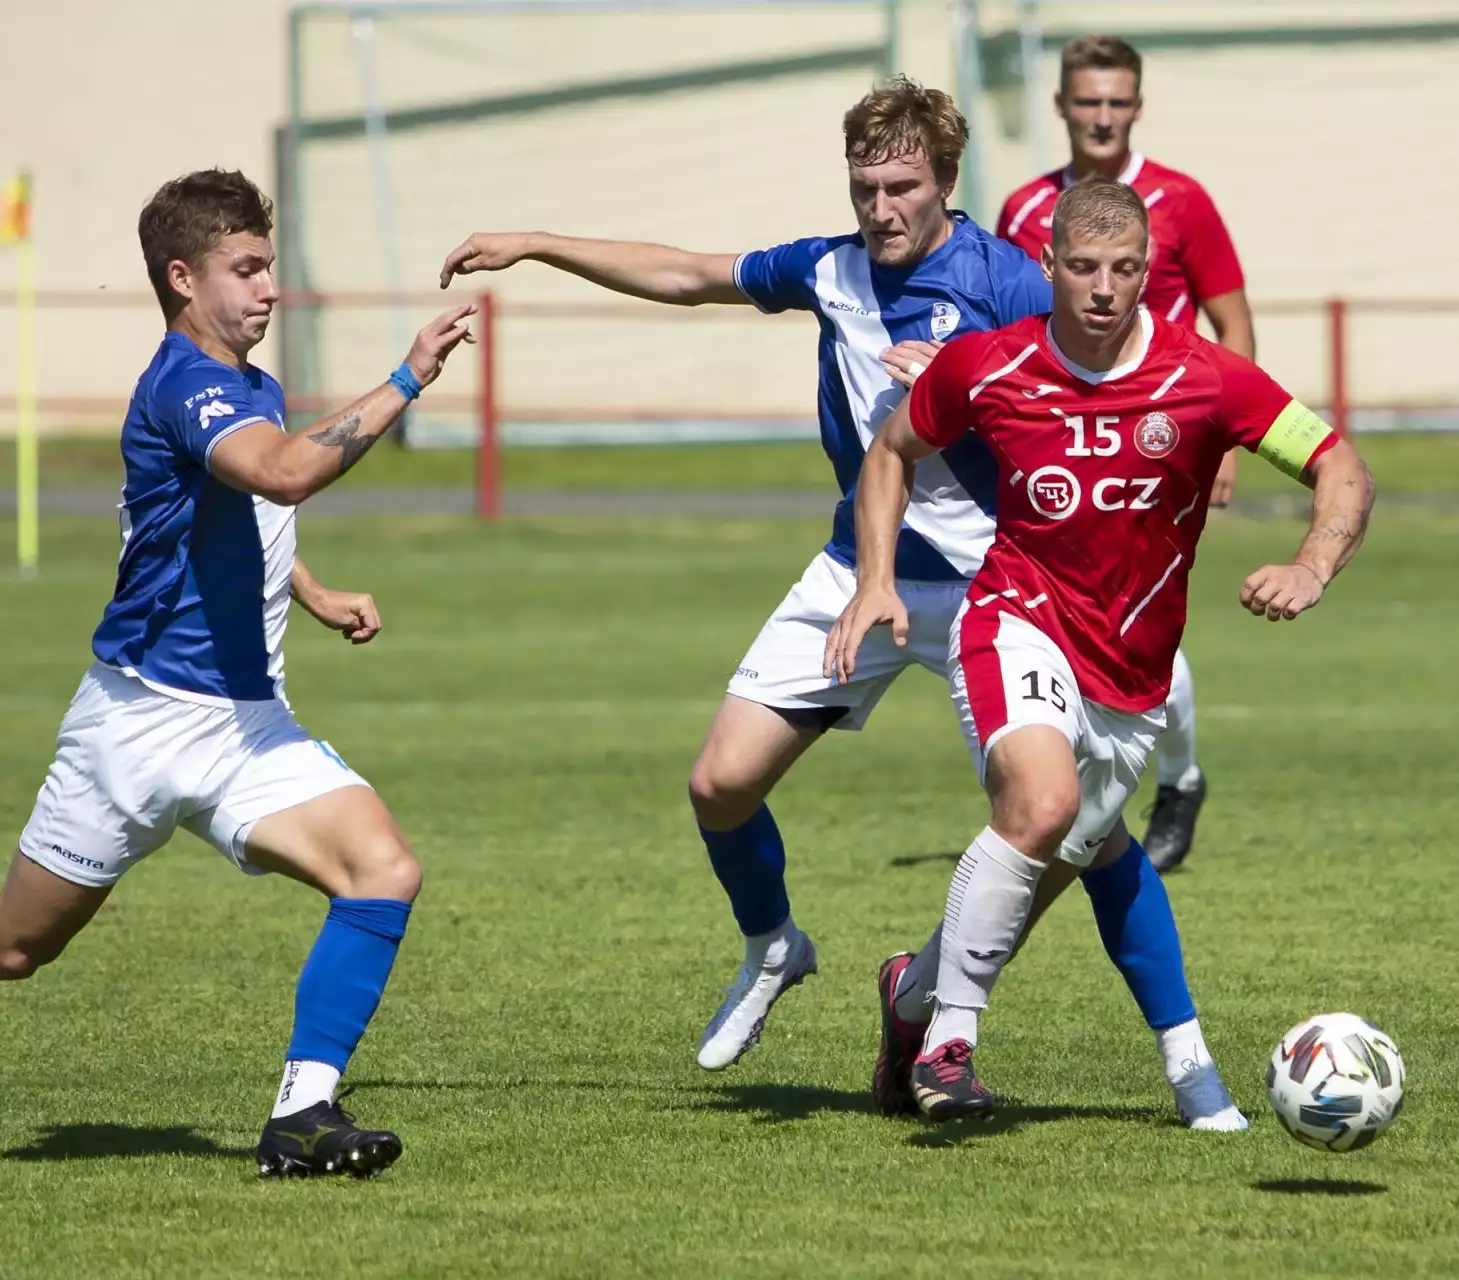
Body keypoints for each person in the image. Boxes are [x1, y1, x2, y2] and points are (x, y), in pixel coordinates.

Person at [438, 80, 1236, 1126]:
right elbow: (686, 276)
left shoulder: (1003, 277)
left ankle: (1101, 1046)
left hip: (1000, 589)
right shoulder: (828, 268)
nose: (880, 207)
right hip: (856, 570)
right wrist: (536, 241)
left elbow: (1081, 409)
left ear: (945, 181)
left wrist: (961, 390)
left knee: (1077, 831)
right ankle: (774, 944)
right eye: (865, 186)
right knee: (718, 782)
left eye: (901, 185)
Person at [828, 178, 1373, 1122]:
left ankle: (913, 997)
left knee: (1074, 850)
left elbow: (1337, 464)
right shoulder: (985, 366)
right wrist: (875, 577)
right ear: (1048, 266)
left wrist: (1313, 564)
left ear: (1148, 272)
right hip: (1013, 618)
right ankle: (951, 1043)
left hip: (1131, 679)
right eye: (1082, 266)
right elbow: (890, 451)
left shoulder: (1206, 377)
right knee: (1042, 804)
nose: (1103, 288)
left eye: (1125, 269)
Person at [0, 169, 475, 1177]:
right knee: (16, 951)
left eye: (268, 264)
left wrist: (308, 588)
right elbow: (287, 472)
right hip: (134, 725)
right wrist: (407, 378)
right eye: (245, 268)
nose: (267, 287)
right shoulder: (183, 381)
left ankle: (303, 1113)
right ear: (183, 276)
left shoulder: (248, 387)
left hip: (244, 728)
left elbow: (236, 508)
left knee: (382, 867)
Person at [997, 35, 1257, 872]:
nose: (1101, 116)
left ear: (1136, 106)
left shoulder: (1181, 201)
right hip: (1056, 456)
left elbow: (1233, 324)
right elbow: (1006, 330)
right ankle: (1093, 793)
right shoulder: (1023, 210)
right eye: (1087, 101)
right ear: (1062, 107)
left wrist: (1226, 447)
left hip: (1160, 454)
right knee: (1074, 629)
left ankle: (1169, 782)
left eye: (1116, 102)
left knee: (1144, 636)